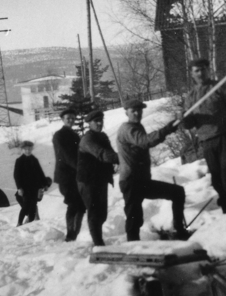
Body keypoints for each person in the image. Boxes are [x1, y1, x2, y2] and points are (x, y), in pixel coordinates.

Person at [182, 58, 226, 214]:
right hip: (207, 142)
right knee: (217, 179)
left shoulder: (220, 88)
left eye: (203, 69)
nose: (200, 73)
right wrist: (183, 120)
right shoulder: (191, 96)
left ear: (208, 70)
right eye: (196, 71)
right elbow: (190, 123)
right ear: (191, 74)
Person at [116, 98, 186, 241]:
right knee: (134, 217)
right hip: (130, 181)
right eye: (133, 111)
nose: (137, 113)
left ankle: (179, 230)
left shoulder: (137, 128)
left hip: (141, 181)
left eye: (139, 110)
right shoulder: (127, 129)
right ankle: (132, 245)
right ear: (126, 113)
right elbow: (145, 141)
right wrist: (169, 127)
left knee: (177, 192)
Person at [77, 110, 119, 246]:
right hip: (88, 181)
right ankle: (98, 243)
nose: (100, 123)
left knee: (102, 213)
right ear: (89, 123)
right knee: (94, 212)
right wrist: (125, 157)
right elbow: (102, 154)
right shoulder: (87, 139)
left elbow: (111, 153)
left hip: (100, 180)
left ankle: (98, 240)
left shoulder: (103, 136)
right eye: (96, 121)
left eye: (101, 120)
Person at [53, 108, 86, 242]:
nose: (71, 120)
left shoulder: (74, 135)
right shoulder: (59, 135)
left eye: (73, 118)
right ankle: (70, 235)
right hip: (65, 176)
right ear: (63, 119)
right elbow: (66, 156)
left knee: (81, 205)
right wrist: (81, 168)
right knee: (73, 204)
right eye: (68, 118)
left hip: (75, 175)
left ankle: (74, 234)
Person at [13, 141, 49, 226]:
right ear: (23, 150)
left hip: (34, 187)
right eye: (26, 149)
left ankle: (29, 225)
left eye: (30, 149)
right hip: (25, 188)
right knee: (26, 206)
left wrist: (45, 184)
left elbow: (40, 173)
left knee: (33, 207)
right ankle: (19, 223)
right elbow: (16, 176)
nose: (28, 151)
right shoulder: (19, 161)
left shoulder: (34, 160)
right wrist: (19, 188)